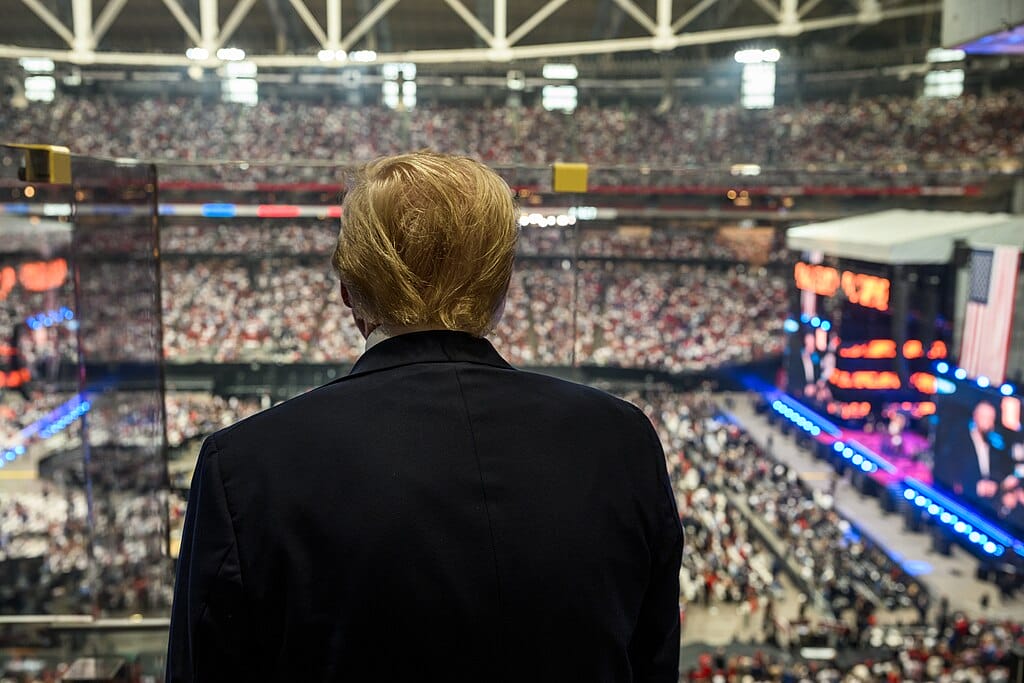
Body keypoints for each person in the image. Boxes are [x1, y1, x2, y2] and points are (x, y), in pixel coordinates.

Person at [166, 152, 684, 682]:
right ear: (502, 290)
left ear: (348, 292)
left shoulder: (245, 465)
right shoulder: (624, 441)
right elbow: (652, 659)